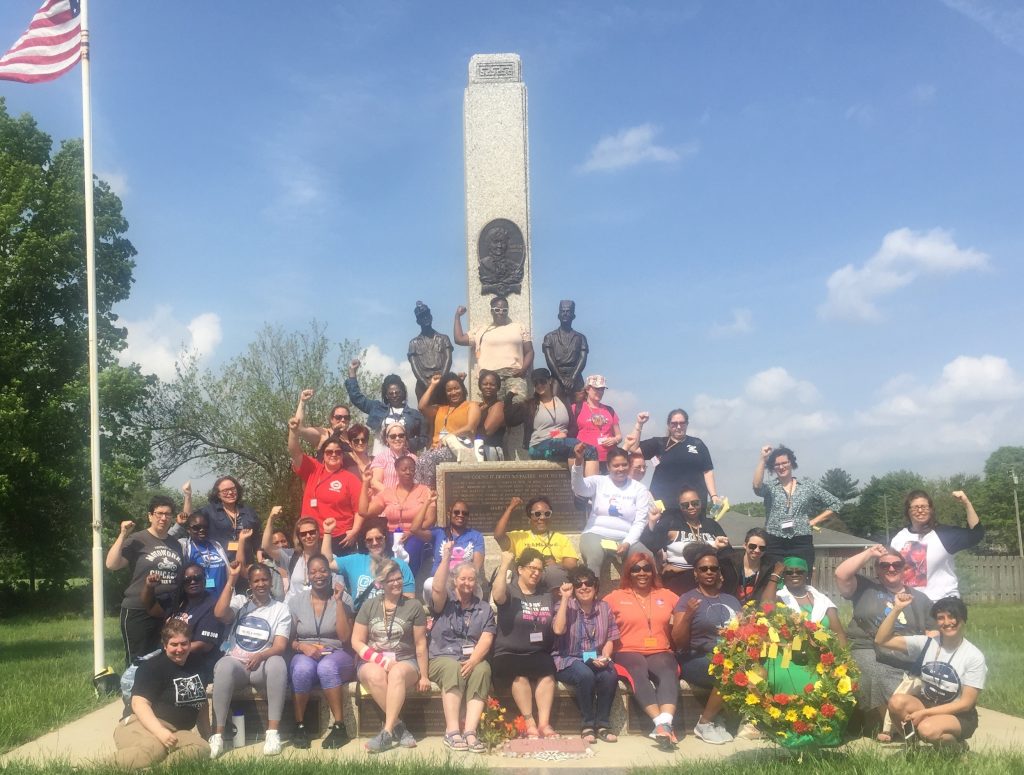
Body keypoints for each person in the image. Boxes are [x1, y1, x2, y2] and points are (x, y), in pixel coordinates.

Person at [835, 544, 935, 737]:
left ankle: (916, 721)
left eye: (896, 565)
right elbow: (841, 574)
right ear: (877, 569)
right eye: (884, 565)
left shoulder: (920, 598)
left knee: (920, 678)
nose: (891, 569)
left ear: (905, 568)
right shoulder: (866, 588)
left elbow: (933, 632)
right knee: (876, 671)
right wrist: (870, 553)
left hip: (902, 649)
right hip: (867, 647)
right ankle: (889, 726)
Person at [876, 594, 986, 750]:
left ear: (963, 619)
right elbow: (882, 640)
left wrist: (925, 714)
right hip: (927, 703)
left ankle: (958, 750)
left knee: (927, 729)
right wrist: (897, 608)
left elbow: (966, 704)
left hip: (958, 715)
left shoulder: (974, 656)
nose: (947, 622)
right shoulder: (927, 643)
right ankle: (913, 749)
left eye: (952, 617)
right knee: (896, 702)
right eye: (941, 618)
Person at [209, 562, 291, 758]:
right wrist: (231, 579)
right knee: (223, 667)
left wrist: (261, 655)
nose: (261, 584)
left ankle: (272, 733)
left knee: (278, 663)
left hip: (261, 666)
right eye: (256, 580)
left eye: (264, 579)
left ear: (271, 582)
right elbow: (219, 613)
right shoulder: (240, 602)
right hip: (237, 664)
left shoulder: (280, 609)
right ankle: (218, 736)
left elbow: (280, 645)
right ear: (250, 583)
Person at [351, 560, 431, 753]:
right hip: (372, 659)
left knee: (396, 674)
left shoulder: (413, 606)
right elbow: (356, 641)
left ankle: (386, 732)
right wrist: (381, 661)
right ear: (380, 584)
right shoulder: (369, 606)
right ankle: (398, 727)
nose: (396, 583)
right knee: (374, 675)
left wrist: (425, 675)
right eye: (391, 581)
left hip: (405, 660)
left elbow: (420, 643)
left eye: (399, 579)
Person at [604, 553, 680, 750]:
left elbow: (686, 614)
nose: (642, 572)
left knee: (667, 670)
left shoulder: (667, 595)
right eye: (635, 569)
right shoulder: (615, 597)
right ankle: (661, 723)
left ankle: (665, 724)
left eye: (646, 568)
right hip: (627, 650)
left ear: (652, 571)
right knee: (637, 669)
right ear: (628, 572)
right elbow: (595, 616)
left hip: (660, 649)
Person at [113, 619, 211, 768]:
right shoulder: (152, 667)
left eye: (184, 643)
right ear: (165, 646)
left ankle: (161, 769)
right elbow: (139, 704)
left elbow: (201, 702)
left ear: (190, 643)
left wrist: (207, 736)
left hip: (177, 731)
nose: (180, 649)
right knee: (154, 750)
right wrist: (160, 732)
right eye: (174, 644)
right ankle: (101, 766)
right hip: (139, 724)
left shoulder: (198, 663)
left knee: (201, 748)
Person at [428, 541, 496, 752]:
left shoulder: (484, 609)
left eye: (471, 579)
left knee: (483, 669)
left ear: (476, 583)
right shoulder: (443, 603)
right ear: (455, 580)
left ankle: (470, 732)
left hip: (470, 657)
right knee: (452, 668)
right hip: (441, 657)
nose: (467, 583)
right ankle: (452, 731)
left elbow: (486, 638)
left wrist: (475, 660)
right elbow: (437, 587)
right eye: (463, 578)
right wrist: (446, 556)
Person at [671, 545, 740, 745]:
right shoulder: (687, 599)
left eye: (713, 568)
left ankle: (742, 720)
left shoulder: (732, 600)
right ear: (696, 573)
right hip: (696, 659)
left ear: (719, 572)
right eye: (704, 569)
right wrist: (689, 615)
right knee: (727, 670)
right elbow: (679, 641)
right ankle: (705, 723)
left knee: (759, 670)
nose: (709, 572)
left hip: (729, 656)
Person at [106, 497, 184, 667]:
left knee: (162, 658)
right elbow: (112, 564)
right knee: (138, 659)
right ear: (150, 516)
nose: (163, 518)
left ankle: (156, 692)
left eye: (168, 514)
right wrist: (122, 535)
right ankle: (133, 692)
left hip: (166, 611)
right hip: (138, 609)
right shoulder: (137, 539)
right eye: (159, 513)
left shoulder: (176, 545)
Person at [288, 554, 356, 750]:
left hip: (337, 652)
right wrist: (302, 647)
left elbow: (344, 637)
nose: (319, 575)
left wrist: (339, 602)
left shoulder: (344, 598)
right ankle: (299, 726)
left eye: (323, 570)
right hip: (305, 652)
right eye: (313, 571)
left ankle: (340, 727)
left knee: (327, 667)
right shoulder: (296, 602)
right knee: (301, 669)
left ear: (330, 573)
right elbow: (289, 640)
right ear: (308, 576)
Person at [491, 549, 557, 739]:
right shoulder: (510, 591)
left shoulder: (545, 595)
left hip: (536, 652)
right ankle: (529, 722)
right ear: (520, 569)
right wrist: (504, 564)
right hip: (508, 653)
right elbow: (497, 595)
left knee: (547, 672)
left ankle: (544, 723)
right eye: (531, 568)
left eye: (540, 569)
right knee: (519, 675)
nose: (536, 572)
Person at [552, 567, 621, 744]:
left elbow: (610, 638)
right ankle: (587, 725)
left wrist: (605, 656)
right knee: (585, 674)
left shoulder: (604, 608)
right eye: (578, 584)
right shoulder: (565, 605)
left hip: (595, 657)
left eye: (588, 583)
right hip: (568, 658)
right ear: (573, 588)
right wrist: (565, 598)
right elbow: (558, 629)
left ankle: (603, 724)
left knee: (610, 675)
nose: (583, 587)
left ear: (595, 586)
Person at [752, 444, 842, 573]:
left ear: (791, 463)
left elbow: (835, 504)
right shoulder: (769, 488)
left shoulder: (807, 486)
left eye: (785, 463)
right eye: (777, 464)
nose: (781, 467)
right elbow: (756, 486)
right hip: (774, 541)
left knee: (802, 578)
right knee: (772, 580)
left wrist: (814, 521)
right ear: (773, 467)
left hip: (801, 541)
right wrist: (763, 459)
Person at [571, 445, 654, 579]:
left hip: (625, 537)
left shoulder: (639, 489)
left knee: (647, 557)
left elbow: (640, 522)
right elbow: (579, 488)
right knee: (594, 556)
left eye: (624, 465)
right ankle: (592, 596)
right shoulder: (599, 481)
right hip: (595, 533)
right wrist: (579, 462)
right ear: (608, 467)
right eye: (616, 466)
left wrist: (627, 543)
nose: (620, 469)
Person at [890, 490, 984, 601]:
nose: (920, 510)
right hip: (911, 604)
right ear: (908, 511)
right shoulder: (899, 539)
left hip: (942, 603)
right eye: (915, 507)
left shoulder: (945, 535)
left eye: (924, 507)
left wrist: (966, 503)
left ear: (931, 510)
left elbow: (976, 534)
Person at [288, 416, 362, 555]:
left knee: (339, 576)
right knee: (313, 575)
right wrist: (293, 431)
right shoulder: (313, 469)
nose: (333, 455)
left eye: (338, 452)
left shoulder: (350, 479)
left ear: (342, 455)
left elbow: (359, 510)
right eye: (329, 452)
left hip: (340, 538)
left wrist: (355, 531)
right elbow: (294, 452)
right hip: (312, 537)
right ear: (323, 454)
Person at [140, 564, 223, 684]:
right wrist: (149, 587)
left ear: (204, 579)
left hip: (194, 665)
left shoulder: (212, 604)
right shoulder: (178, 600)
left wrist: (168, 653)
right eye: (187, 579)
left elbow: (204, 645)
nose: (193, 582)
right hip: (170, 659)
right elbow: (151, 607)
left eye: (197, 578)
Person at [625, 409, 722, 508]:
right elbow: (633, 448)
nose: (678, 426)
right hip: (664, 505)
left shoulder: (698, 444)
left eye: (682, 423)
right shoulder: (659, 443)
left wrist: (714, 496)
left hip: (693, 505)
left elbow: (707, 471)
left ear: (687, 424)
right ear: (668, 425)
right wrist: (639, 424)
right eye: (674, 424)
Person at [503, 367, 598, 466]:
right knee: (587, 450)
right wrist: (509, 396)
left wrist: (565, 434)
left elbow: (573, 426)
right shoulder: (530, 405)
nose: (539, 385)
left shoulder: (563, 401)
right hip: (539, 445)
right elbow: (510, 419)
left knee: (590, 451)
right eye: (536, 383)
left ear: (549, 381)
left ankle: (580, 481)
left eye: (542, 381)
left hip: (563, 442)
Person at [645, 487, 730, 595]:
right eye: (685, 505)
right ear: (680, 507)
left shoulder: (711, 525)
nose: (691, 507)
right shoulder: (671, 523)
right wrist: (652, 522)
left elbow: (728, 554)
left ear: (701, 503)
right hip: (679, 579)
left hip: (709, 579)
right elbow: (650, 545)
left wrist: (720, 546)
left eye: (695, 503)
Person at [358, 458, 434, 576]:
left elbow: (430, 520)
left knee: (411, 551)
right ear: (396, 470)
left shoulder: (424, 491)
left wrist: (411, 532)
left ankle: (408, 583)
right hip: (392, 535)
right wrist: (365, 483)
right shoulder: (387, 492)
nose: (408, 472)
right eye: (404, 469)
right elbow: (364, 511)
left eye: (412, 469)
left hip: (416, 534)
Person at [454, 296, 534, 402]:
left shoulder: (519, 327)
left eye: (504, 310)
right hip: (490, 377)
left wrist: (523, 369)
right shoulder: (481, 330)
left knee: (518, 405)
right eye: (497, 309)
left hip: (514, 374)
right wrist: (457, 316)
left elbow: (529, 351)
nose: (501, 312)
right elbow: (459, 339)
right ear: (491, 311)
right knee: (495, 410)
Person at [325, 517, 415, 610]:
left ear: (385, 538)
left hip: (391, 618)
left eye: (379, 538)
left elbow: (409, 601)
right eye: (369, 540)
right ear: (365, 543)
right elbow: (328, 563)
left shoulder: (400, 565)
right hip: (362, 620)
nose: (375, 543)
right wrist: (327, 532)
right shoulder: (355, 561)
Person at [494, 496, 579, 589]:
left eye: (547, 514)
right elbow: (498, 536)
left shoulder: (561, 538)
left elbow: (572, 564)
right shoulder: (519, 537)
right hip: (526, 585)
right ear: (530, 517)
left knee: (553, 572)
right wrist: (510, 509)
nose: (542, 517)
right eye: (537, 514)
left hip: (553, 584)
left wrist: (556, 565)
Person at [345, 360, 427, 455]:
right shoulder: (377, 408)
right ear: (386, 395)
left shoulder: (414, 415)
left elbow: (425, 438)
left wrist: (410, 443)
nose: (394, 395)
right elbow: (357, 398)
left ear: (403, 393)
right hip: (379, 458)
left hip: (405, 462)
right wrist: (352, 373)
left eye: (397, 392)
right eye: (391, 393)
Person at [411, 498, 485, 601]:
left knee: (478, 592)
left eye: (465, 513)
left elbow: (476, 566)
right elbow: (414, 529)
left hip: (463, 581)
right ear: (449, 514)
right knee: (429, 584)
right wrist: (427, 502)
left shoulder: (476, 536)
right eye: (456, 512)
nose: (460, 515)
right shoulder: (438, 533)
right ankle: (436, 613)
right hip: (441, 581)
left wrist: (462, 581)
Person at [416, 372, 481, 487]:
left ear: (462, 389)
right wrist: (433, 385)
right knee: (419, 461)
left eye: (456, 388)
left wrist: (447, 437)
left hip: (457, 449)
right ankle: (421, 496)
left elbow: (470, 427)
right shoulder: (440, 409)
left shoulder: (471, 406)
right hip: (436, 449)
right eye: (449, 390)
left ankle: (426, 493)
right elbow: (422, 406)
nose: (453, 392)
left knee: (427, 460)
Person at [762, 557, 847, 645]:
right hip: (788, 654)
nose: (794, 575)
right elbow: (765, 606)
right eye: (789, 572)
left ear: (806, 574)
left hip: (821, 654)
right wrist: (775, 575)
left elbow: (839, 634)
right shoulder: (780, 597)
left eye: (799, 572)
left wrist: (843, 657)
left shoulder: (822, 600)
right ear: (783, 576)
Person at [260, 508, 324, 602]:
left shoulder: (327, 558)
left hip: (316, 610)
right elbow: (266, 546)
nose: (308, 536)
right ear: (299, 537)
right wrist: (271, 519)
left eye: (312, 532)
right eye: (303, 534)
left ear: (318, 533)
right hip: (292, 610)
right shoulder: (290, 556)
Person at [193, 476, 261, 561]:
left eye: (233, 489)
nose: (230, 492)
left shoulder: (248, 511)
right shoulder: (209, 512)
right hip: (220, 564)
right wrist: (188, 496)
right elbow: (190, 523)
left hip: (246, 563)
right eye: (225, 491)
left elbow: (256, 538)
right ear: (218, 494)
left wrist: (259, 556)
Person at [168, 512, 230, 596]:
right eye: (196, 527)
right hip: (199, 602)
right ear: (188, 529)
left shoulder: (216, 545)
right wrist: (178, 525)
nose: (201, 530)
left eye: (205, 527)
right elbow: (164, 540)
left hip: (222, 599)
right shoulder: (184, 545)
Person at [571, 375, 622, 474]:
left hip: (609, 460)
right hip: (586, 459)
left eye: (602, 389)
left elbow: (619, 436)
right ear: (587, 389)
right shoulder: (576, 408)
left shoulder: (609, 410)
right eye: (596, 389)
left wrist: (614, 439)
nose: (600, 392)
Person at [542, 300, 589, 402]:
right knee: (554, 405)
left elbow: (582, 359)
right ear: (558, 315)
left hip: (575, 376)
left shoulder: (581, 338)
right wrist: (561, 379)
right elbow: (550, 360)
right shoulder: (549, 337)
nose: (565, 314)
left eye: (568, 311)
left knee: (581, 406)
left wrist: (572, 378)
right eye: (562, 311)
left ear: (573, 315)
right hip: (557, 376)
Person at [408, 301, 454, 400]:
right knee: (425, 413)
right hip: (423, 385)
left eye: (427, 314)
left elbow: (448, 360)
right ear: (418, 321)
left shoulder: (444, 338)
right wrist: (426, 384)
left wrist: (440, 381)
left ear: (431, 316)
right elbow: (414, 367)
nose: (425, 318)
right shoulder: (413, 343)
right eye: (422, 316)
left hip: (442, 383)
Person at [721, 528, 773, 604]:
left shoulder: (768, 569)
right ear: (745, 545)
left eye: (762, 548)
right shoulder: (729, 563)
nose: (757, 550)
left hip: (754, 611)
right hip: (729, 606)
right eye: (752, 546)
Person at [293, 389, 353, 453]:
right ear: (331, 419)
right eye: (338, 417)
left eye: (346, 417)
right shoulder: (323, 434)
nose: (343, 420)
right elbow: (299, 428)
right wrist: (302, 402)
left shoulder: (354, 438)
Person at [369, 422, 417, 493]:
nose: (397, 439)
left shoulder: (414, 458)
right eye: (393, 436)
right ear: (387, 439)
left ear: (405, 437)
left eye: (401, 435)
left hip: (409, 499)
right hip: (386, 500)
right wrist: (393, 494)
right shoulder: (381, 458)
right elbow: (375, 482)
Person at [476, 369, 508, 460]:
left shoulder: (499, 406)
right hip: (478, 451)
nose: (488, 387)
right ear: (480, 386)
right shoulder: (478, 406)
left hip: (491, 451)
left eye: (492, 384)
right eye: (485, 384)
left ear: (498, 387)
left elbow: (485, 433)